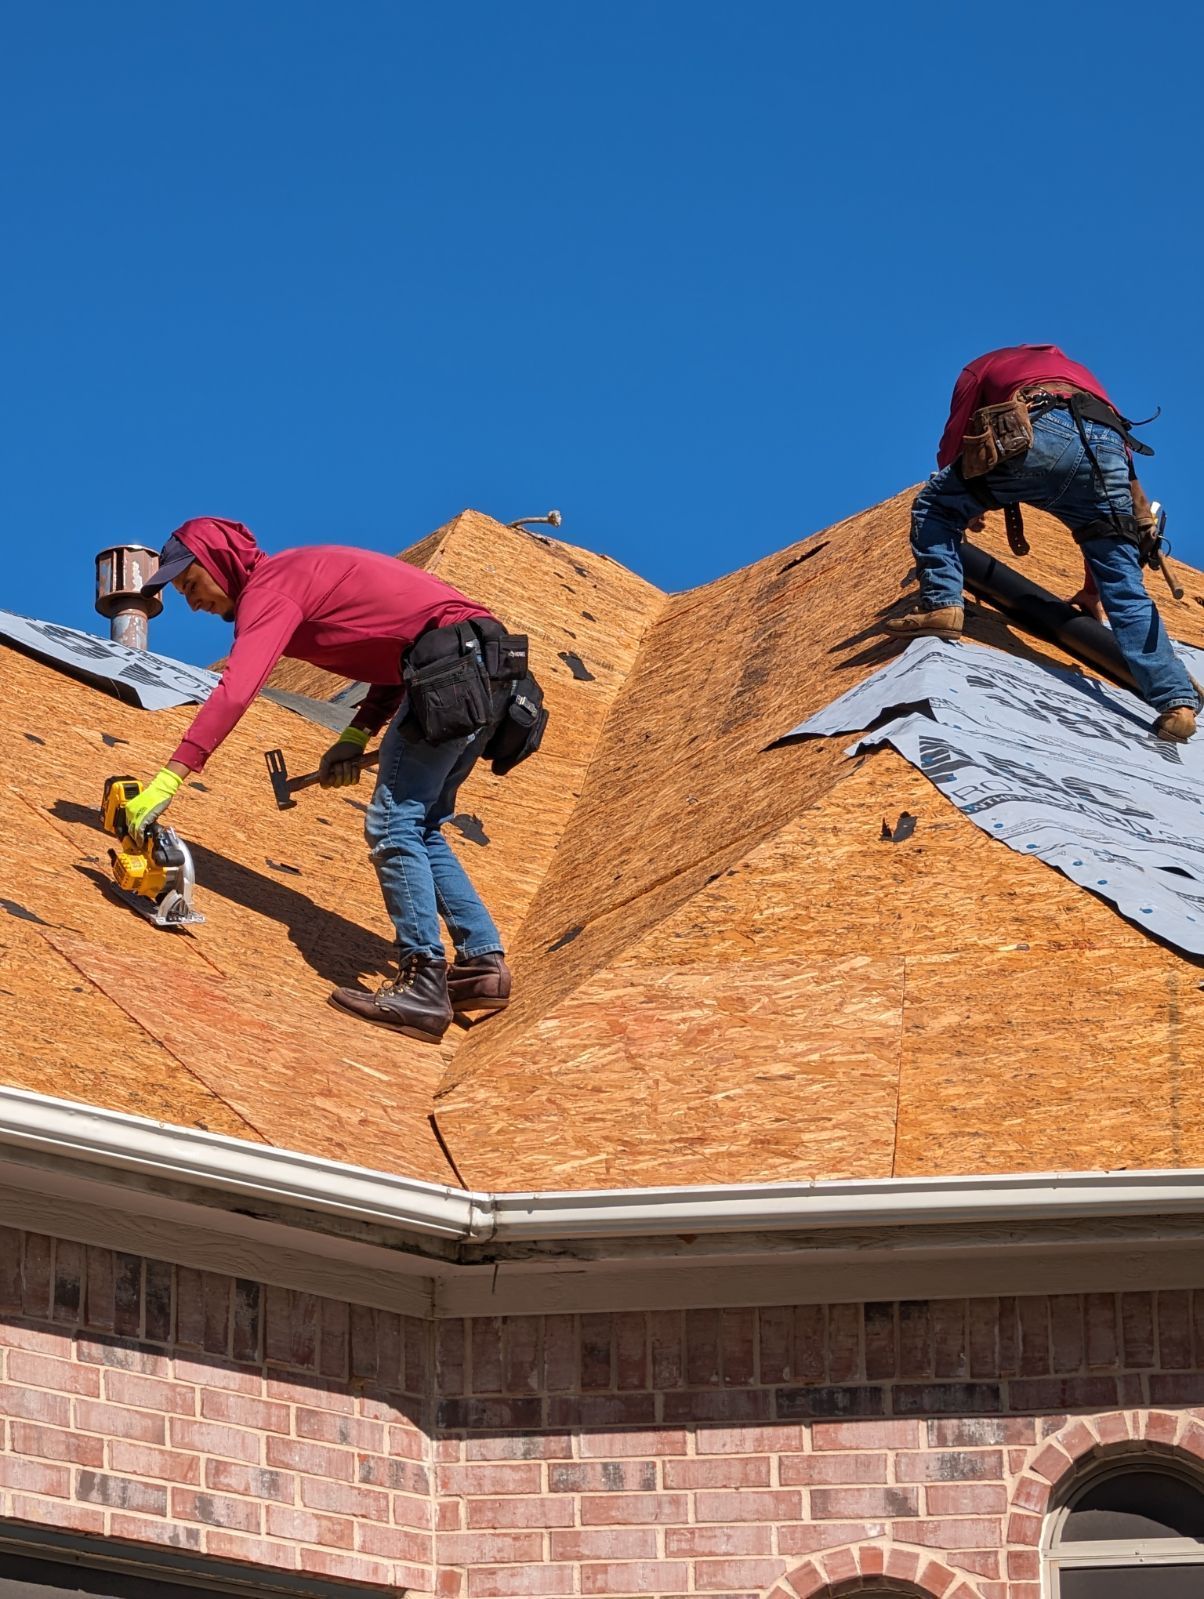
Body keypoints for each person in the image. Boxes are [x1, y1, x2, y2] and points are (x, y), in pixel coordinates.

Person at [125, 518, 513, 1044]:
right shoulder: (298, 576)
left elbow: (237, 691)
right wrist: (355, 735)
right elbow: (400, 652)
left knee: (394, 826)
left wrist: (170, 779)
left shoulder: (272, 586)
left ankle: (423, 979)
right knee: (421, 826)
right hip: (483, 671)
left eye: (191, 584)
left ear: (220, 564)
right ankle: (481, 968)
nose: (192, 603)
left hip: (452, 667)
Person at [884, 344, 1198, 742]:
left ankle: (942, 605)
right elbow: (1115, 465)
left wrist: (963, 496)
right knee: (1126, 591)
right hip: (1106, 455)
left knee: (934, 506)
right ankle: (1177, 702)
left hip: (1042, 430)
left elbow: (958, 434)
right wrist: (1090, 592)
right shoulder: (1081, 376)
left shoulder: (983, 366)